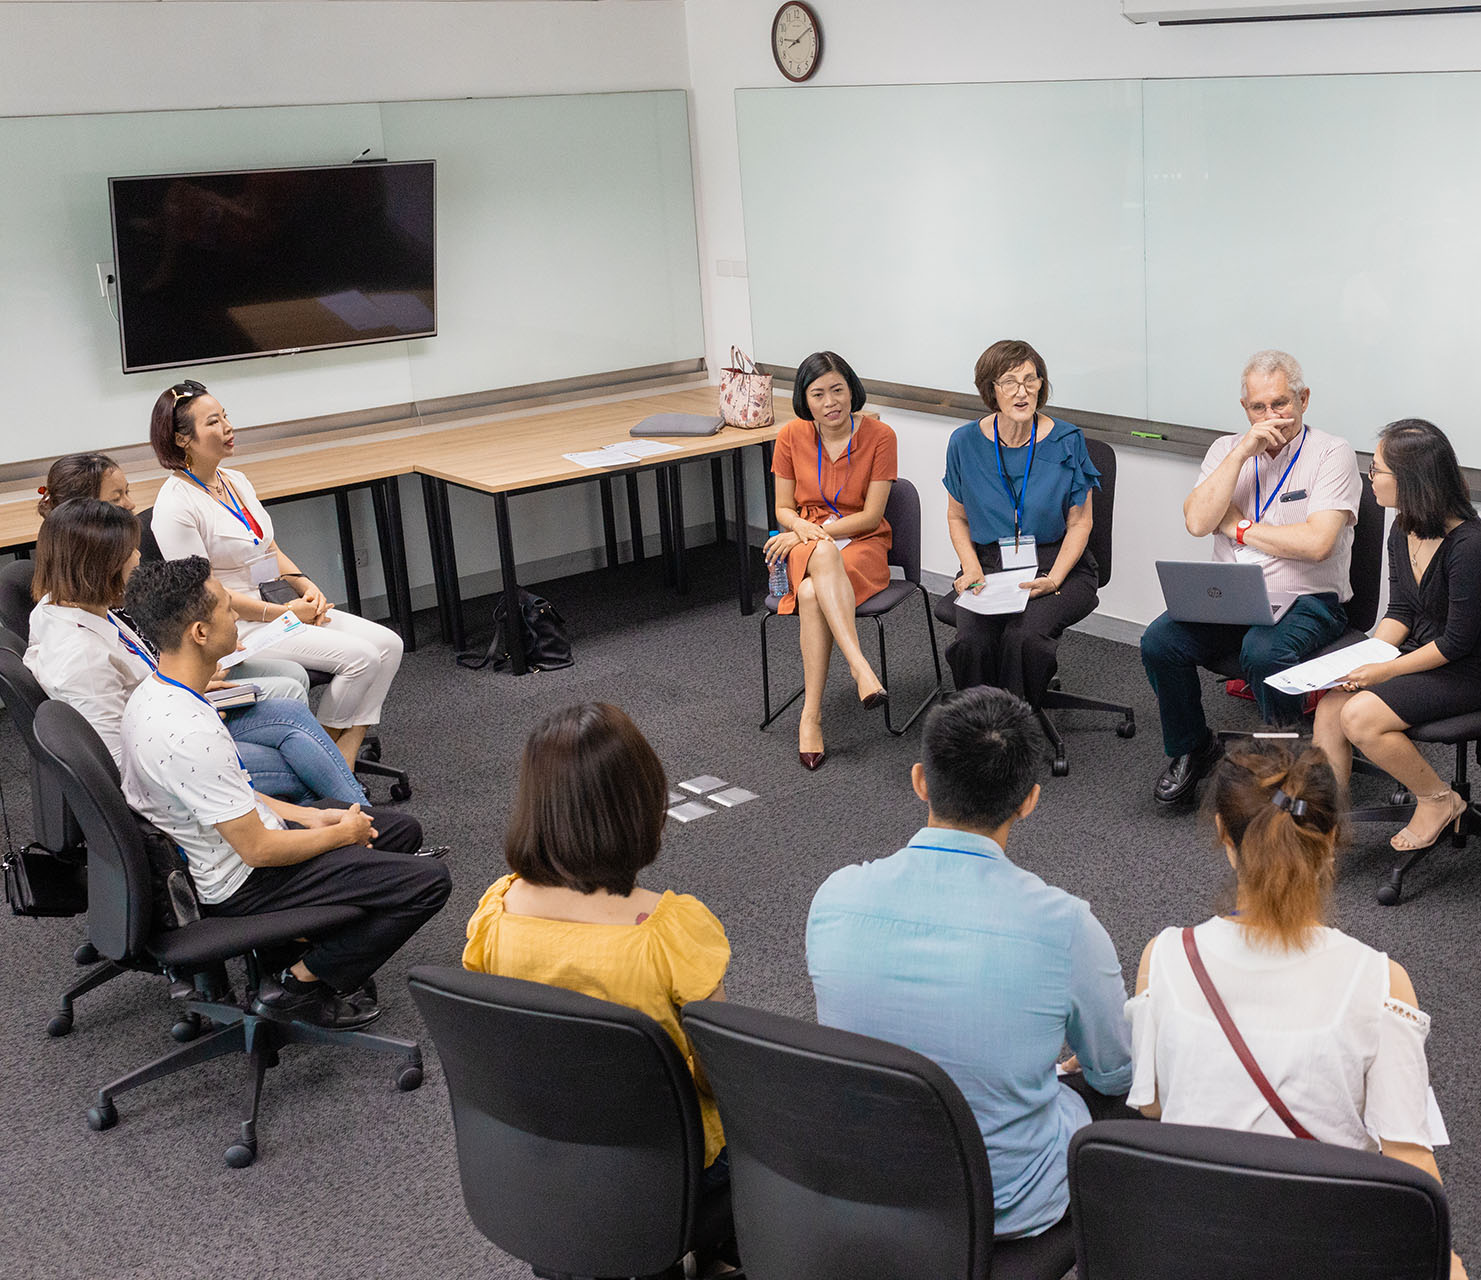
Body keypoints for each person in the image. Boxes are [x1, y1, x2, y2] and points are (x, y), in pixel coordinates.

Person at [1126, 740, 1464, 1275]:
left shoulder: (1166, 956)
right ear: (1332, 839)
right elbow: (1410, 1164)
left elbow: (1152, 1107)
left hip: (1195, 1246)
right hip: (1327, 1251)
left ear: (1222, 833)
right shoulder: (1380, 981)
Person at [806, 686, 1133, 1239]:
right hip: (1003, 1206)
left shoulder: (834, 897)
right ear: (1030, 799)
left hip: (866, 1186)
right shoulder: (1066, 926)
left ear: (919, 781)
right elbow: (1116, 1073)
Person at [119, 557, 449, 1030]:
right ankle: (296, 985)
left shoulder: (162, 691)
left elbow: (237, 796)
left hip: (233, 842)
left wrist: (310, 817)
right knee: (427, 882)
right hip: (239, 882)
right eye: (226, 611)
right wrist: (341, 835)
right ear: (199, 632)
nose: (236, 618)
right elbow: (258, 849)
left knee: (399, 831)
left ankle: (291, 945)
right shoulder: (187, 730)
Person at [464, 701, 736, 1268]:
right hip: (672, 1167)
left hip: (545, 1151)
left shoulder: (495, 912)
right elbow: (721, 1076)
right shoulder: (669, 930)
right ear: (644, 806)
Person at [25, 499, 366, 804]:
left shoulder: (76, 610)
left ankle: (358, 823)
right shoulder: (81, 658)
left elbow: (137, 685)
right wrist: (191, 708)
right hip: (170, 760)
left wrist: (191, 686)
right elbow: (120, 765)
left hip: (176, 716)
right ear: (103, 566)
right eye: (130, 551)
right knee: (296, 767)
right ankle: (353, 834)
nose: (140, 556)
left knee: (289, 714)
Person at [1140, 350, 1362, 805]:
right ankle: (1192, 748)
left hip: (1309, 597)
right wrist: (1242, 451)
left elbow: (1317, 543)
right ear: (1245, 409)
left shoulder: (1331, 453)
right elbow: (1199, 522)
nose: (1271, 418)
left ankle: (1282, 763)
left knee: (1263, 652)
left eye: (1280, 404)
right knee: (1159, 641)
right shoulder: (1227, 450)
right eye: (1258, 408)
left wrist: (1240, 527)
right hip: (1234, 596)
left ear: (1303, 399)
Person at [147, 381, 403, 766]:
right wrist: (283, 614)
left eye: (226, 416)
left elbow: (267, 547)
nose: (228, 427)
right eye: (213, 422)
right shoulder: (175, 505)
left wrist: (305, 585)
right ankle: (326, 758)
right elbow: (206, 594)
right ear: (183, 439)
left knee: (389, 645)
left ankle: (333, 754)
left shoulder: (235, 481)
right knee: (363, 659)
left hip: (273, 611)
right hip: (235, 627)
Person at [1312, 420, 1481, 853]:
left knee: (1360, 717)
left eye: (1378, 470)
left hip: (1476, 667)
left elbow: (1456, 644)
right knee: (1332, 705)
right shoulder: (1402, 526)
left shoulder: (1471, 547)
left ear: (1410, 479)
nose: (1371, 479)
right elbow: (1402, 611)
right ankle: (1321, 827)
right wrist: (1364, 657)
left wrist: (1382, 670)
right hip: (1425, 650)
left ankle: (1438, 800)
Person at [37, 449, 314, 701]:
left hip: (178, 666)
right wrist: (191, 672)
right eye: (116, 498)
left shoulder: (89, 583)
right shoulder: (87, 604)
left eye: (127, 492)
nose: (131, 505)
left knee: (293, 676)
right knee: (290, 688)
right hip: (172, 688)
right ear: (85, 514)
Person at [941, 340, 1102, 703]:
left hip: (1056, 562)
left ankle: (1014, 731)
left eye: (1031, 380)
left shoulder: (1067, 441)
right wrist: (970, 566)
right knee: (972, 641)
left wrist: (1055, 577)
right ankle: (978, 726)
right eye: (1009, 382)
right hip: (988, 562)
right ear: (990, 390)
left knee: (1024, 638)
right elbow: (956, 516)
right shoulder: (963, 443)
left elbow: (1080, 523)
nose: (1022, 392)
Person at [762, 351, 899, 770]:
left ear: (851, 389)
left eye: (837, 390)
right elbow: (783, 509)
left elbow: (871, 516)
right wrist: (803, 530)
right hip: (805, 541)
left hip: (862, 543)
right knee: (819, 557)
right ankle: (860, 669)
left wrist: (814, 531)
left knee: (808, 592)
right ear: (806, 400)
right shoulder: (790, 436)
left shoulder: (880, 436)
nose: (830, 402)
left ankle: (811, 717)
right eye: (818, 394)